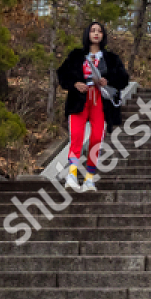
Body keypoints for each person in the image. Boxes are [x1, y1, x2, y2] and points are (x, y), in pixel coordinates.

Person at [55, 22, 130, 192]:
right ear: (87, 33)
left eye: (100, 31)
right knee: (76, 136)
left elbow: (123, 78)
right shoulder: (76, 55)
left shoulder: (111, 58)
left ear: (103, 35)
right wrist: (75, 83)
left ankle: (89, 178)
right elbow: (62, 74)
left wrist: (108, 80)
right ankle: (72, 175)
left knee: (97, 138)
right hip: (79, 100)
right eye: (93, 30)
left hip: (100, 101)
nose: (96, 33)